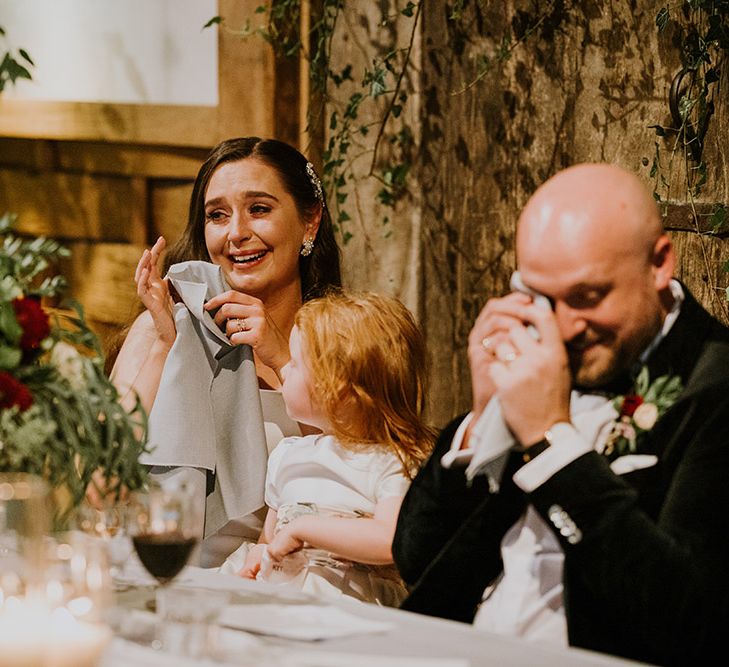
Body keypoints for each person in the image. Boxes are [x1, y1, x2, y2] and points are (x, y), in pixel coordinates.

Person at [392, 163, 729, 665]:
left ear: (659, 263)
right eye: (542, 297)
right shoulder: (546, 360)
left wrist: (551, 445)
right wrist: (481, 419)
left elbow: (689, 622)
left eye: (586, 297)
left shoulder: (715, 388)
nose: (564, 327)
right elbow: (415, 557)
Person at [110, 137, 342, 566]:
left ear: (310, 222)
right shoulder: (160, 325)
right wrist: (166, 345)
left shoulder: (341, 339)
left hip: (300, 578)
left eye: (259, 209)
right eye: (217, 215)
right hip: (174, 572)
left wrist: (281, 357)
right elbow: (102, 476)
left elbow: (365, 465)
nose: (236, 233)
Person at [221, 291, 435, 606]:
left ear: (340, 391)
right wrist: (258, 555)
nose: (285, 369)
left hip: (344, 599)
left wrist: (305, 529)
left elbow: (390, 540)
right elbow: (269, 536)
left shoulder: (390, 461)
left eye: (295, 362)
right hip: (281, 591)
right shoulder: (289, 454)